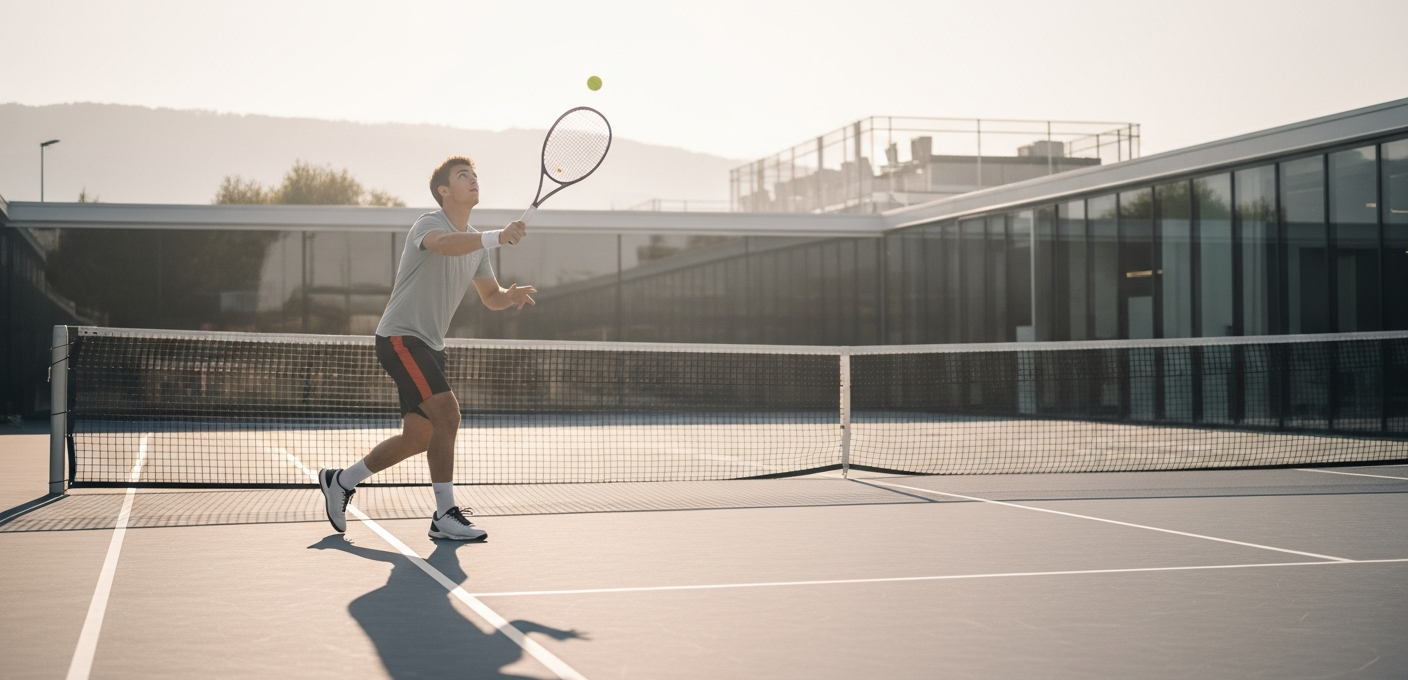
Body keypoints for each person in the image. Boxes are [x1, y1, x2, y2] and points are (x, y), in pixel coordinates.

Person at [319, 157, 535, 541]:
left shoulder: (477, 245)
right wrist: (497, 236)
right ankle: (444, 515)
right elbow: (444, 246)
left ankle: (340, 481)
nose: (473, 180)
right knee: (448, 415)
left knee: (418, 437)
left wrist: (509, 295)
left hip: (431, 345)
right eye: (463, 176)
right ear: (444, 191)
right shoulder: (429, 224)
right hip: (401, 338)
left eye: (475, 175)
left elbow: (491, 296)